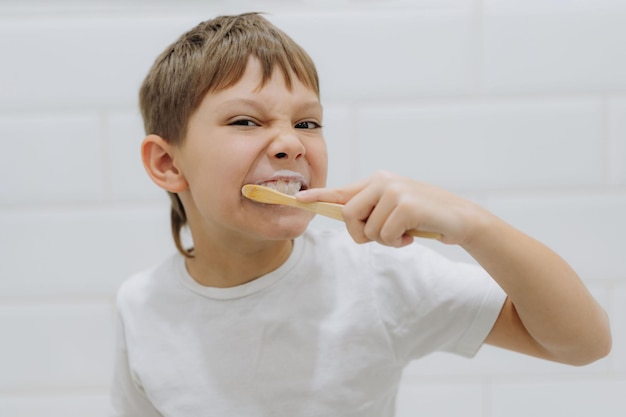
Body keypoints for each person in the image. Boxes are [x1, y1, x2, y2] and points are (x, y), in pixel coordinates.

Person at [110, 12, 611, 416]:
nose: (290, 143)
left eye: (307, 122)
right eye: (245, 120)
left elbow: (584, 344)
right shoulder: (141, 306)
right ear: (168, 163)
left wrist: (473, 225)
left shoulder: (375, 275)